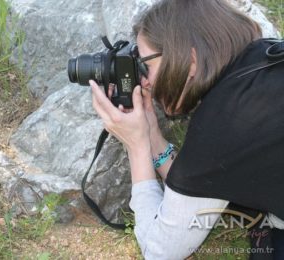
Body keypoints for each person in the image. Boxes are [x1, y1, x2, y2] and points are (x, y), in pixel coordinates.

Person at [90, 0, 284, 259]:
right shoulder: (263, 55)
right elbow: (204, 183)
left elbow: (160, 251)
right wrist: (152, 135)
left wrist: (136, 147)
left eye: (147, 65)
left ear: (190, 60)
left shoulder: (225, 124)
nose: (145, 80)